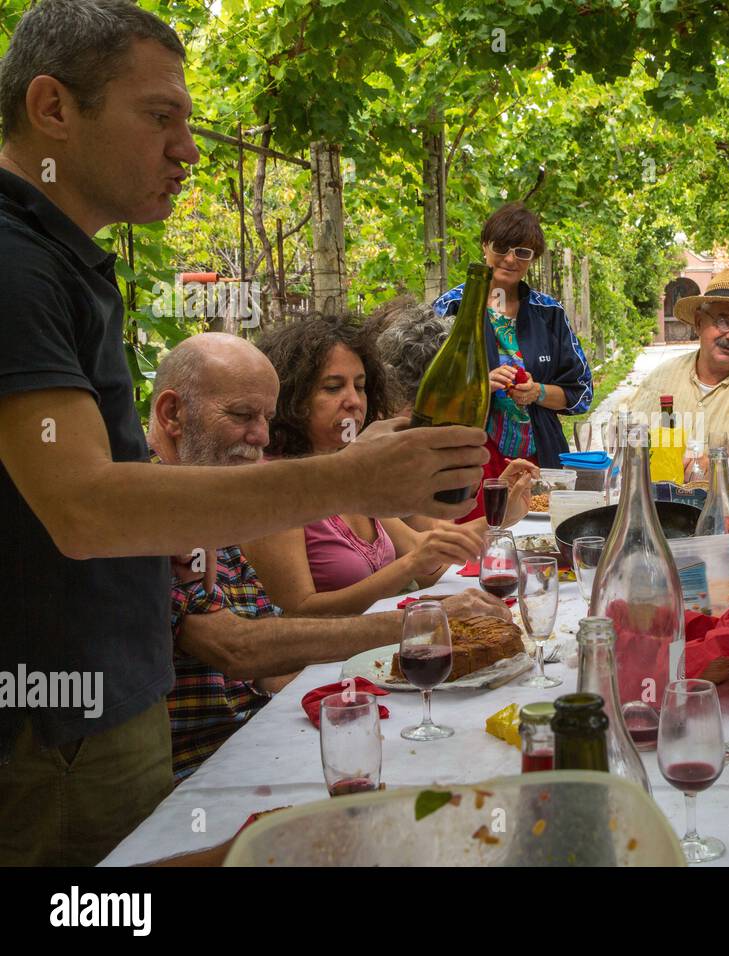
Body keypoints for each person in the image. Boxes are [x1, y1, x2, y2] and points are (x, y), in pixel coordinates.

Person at [0, 0, 486, 866]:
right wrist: (354, 481)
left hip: (96, 711)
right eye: (160, 118)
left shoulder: (60, 260)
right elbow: (82, 508)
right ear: (52, 110)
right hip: (55, 726)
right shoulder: (13, 263)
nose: (187, 149)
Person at [147, 333, 508, 781]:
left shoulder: (212, 496)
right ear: (171, 414)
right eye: (242, 415)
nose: (260, 435)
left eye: (266, 417)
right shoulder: (153, 510)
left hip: (256, 740)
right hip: (202, 769)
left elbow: (268, 657)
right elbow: (239, 648)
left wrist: (350, 698)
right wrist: (419, 628)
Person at [243, 315, 485, 616]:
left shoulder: (356, 468)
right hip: (322, 662)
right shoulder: (278, 484)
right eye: (333, 388)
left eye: (360, 386)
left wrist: (506, 512)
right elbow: (298, 613)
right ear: (293, 396)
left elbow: (428, 559)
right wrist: (409, 565)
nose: (353, 401)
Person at [432, 202, 593, 469]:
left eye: (522, 252)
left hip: (540, 458)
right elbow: (424, 391)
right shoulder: (451, 308)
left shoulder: (549, 313)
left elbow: (581, 393)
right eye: (501, 248)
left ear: (533, 258)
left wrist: (537, 392)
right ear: (485, 246)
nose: (510, 258)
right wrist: (481, 385)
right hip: (468, 460)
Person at [376, 295, 538, 528]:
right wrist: (502, 516)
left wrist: (500, 503)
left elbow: (440, 535)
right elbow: (429, 549)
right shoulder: (386, 456)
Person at [624, 268, 729, 474]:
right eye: (724, 322)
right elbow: (629, 436)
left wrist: (711, 465)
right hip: (663, 501)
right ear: (699, 322)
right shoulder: (662, 376)